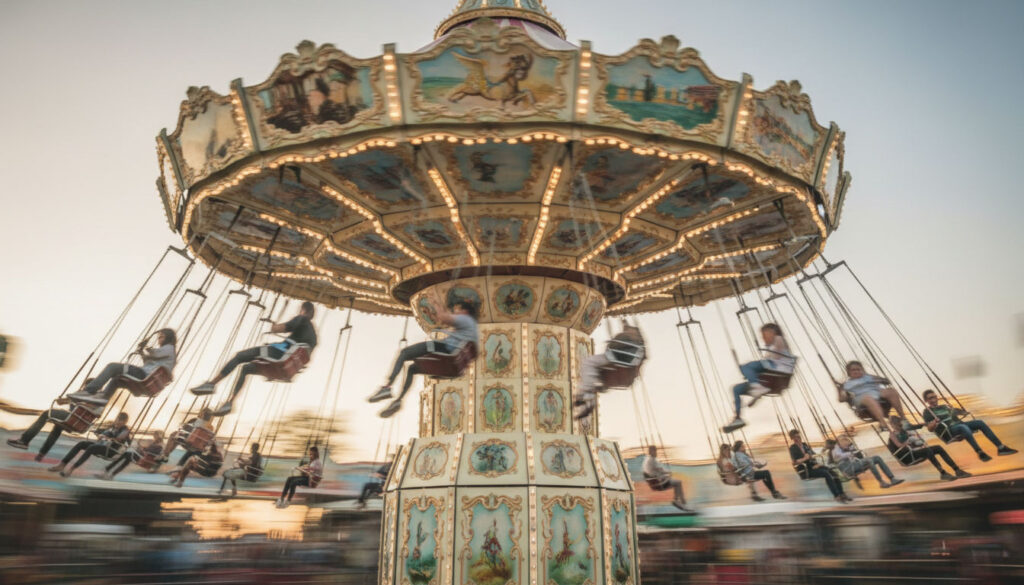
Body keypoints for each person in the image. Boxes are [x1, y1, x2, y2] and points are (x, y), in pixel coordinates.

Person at [191, 302, 318, 416]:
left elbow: (281, 328)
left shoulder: (301, 319)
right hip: (286, 366)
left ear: (303, 310)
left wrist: (274, 327)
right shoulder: (313, 335)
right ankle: (229, 403)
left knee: (239, 356)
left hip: (278, 354)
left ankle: (211, 384)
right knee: (246, 369)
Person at [368, 301, 478, 418]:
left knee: (404, 353)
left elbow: (443, 317)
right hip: (450, 361)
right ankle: (398, 401)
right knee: (412, 369)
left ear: (465, 312)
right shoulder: (471, 330)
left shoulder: (466, 320)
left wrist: (434, 300)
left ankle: (387, 387)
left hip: (442, 350)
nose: (456, 313)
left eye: (458, 310)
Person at [67, 329, 177, 405]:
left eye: (161, 337)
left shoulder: (169, 347)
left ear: (168, 338)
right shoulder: (165, 351)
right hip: (146, 376)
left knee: (112, 367)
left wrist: (145, 346)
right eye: (159, 337)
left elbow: (154, 353)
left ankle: (89, 391)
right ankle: (104, 397)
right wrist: (143, 353)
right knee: (117, 380)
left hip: (145, 376)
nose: (159, 339)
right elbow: (150, 361)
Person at [723, 324, 795, 433]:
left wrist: (756, 368)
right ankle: (738, 418)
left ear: (772, 332)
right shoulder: (773, 347)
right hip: (768, 379)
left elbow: (776, 353)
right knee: (736, 389)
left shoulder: (779, 340)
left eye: (764, 334)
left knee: (746, 367)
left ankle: (756, 387)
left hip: (776, 371)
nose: (763, 338)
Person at [573, 323, 646, 420]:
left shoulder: (632, 345)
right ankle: (589, 396)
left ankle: (587, 396)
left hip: (618, 360)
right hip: (620, 363)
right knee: (595, 370)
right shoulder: (637, 348)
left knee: (589, 363)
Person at [921, 389, 1017, 461]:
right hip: (949, 431)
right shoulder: (927, 412)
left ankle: (1001, 448)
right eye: (930, 398)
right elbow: (930, 428)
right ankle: (979, 452)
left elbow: (958, 412)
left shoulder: (944, 406)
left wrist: (963, 411)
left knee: (980, 422)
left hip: (959, 425)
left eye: (934, 397)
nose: (933, 399)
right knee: (963, 427)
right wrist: (934, 422)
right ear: (926, 401)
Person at [6, 399, 104, 461]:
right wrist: (65, 400)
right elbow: (66, 401)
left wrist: (79, 401)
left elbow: (96, 411)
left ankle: (24, 440)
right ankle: (42, 453)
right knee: (57, 428)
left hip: (75, 420)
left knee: (46, 414)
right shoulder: (90, 399)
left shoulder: (94, 399)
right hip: (74, 421)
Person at [887, 415, 971, 481]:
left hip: (914, 452)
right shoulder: (893, 435)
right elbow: (899, 446)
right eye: (896, 424)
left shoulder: (905, 431)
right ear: (893, 425)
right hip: (907, 456)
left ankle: (957, 470)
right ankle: (942, 472)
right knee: (928, 451)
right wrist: (908, 441)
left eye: (899, 424)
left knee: (938, 448)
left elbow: (916, 427)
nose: (899, 426)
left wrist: (926, 424)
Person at [48, 412, 131, 477]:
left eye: (121, 421)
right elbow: (100, 432)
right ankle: (62, 464)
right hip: (102, 446)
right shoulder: (112, 426)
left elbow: (118, 439)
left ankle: (71, 469)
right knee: (81, 444)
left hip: (110, 450)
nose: (118, 421)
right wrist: (98, 433)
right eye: (118, 419)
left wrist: (104, 436)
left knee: (91, 447)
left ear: (125, 422)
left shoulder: (125, 430)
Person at [838, 361, 908, 433]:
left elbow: (886, 381)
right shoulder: (846, 384)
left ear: (862, 370)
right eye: (853, 370)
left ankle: (904, 419)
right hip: (861, 397)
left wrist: (880, 380)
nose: (856, 371)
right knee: (868, 398)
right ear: (849, 372)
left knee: (892, 391)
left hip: (876, 392)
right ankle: (883, 424)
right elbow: (841, 399)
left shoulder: (869, 377)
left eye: (858, 369)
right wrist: (843, 394)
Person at [788, 429, 851, 503]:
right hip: (806, 470)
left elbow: (813, 454)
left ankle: (842, 494)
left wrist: (816, 461)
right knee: (826, 473)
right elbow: (795, 462)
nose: (798, 439)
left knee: (833, 472)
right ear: (792, 438)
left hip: (813, 466)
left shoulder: (805, 445)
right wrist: (804, 458)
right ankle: (836, 496)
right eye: (795, 437)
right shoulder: (793, 448)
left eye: (798, 437)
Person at [831, 434, 904, 489]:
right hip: (848, 468)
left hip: (855, 464)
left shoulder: (845, 447)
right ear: (840, 443)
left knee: (876, 458)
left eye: (848, 445)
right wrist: (851, 453)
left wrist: (853, 449)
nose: (847, 446)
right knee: (868, 461)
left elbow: (854, 453)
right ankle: (881, 482)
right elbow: (840, 455)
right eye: (846, 445)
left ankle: (892, 478)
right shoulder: (835, 450)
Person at [642, 445, 692, 512]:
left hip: (656, 482)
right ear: (651, 451)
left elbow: (655, 471)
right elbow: (660, 470)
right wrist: (668, 473)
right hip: (660, 483)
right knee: (678, 483)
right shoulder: (652, 460)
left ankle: (679, 501)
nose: (656, 453)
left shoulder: (647, 460)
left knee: (676, 482)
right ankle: (681, 502)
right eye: (655, 451)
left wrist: (666, 475)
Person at [100, 430, 165, 479]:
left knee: (126, 455)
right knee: (126, 458)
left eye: (155, 435)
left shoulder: (160, 445)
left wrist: (143, 450)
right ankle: (111, 473)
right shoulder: (155, 443)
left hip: (144, 459)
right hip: (141, 455)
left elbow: (152, 453)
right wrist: (142, 447)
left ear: (159, 436)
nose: (154, 436)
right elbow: (148, 449)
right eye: (154, 435)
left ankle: (108, 470)